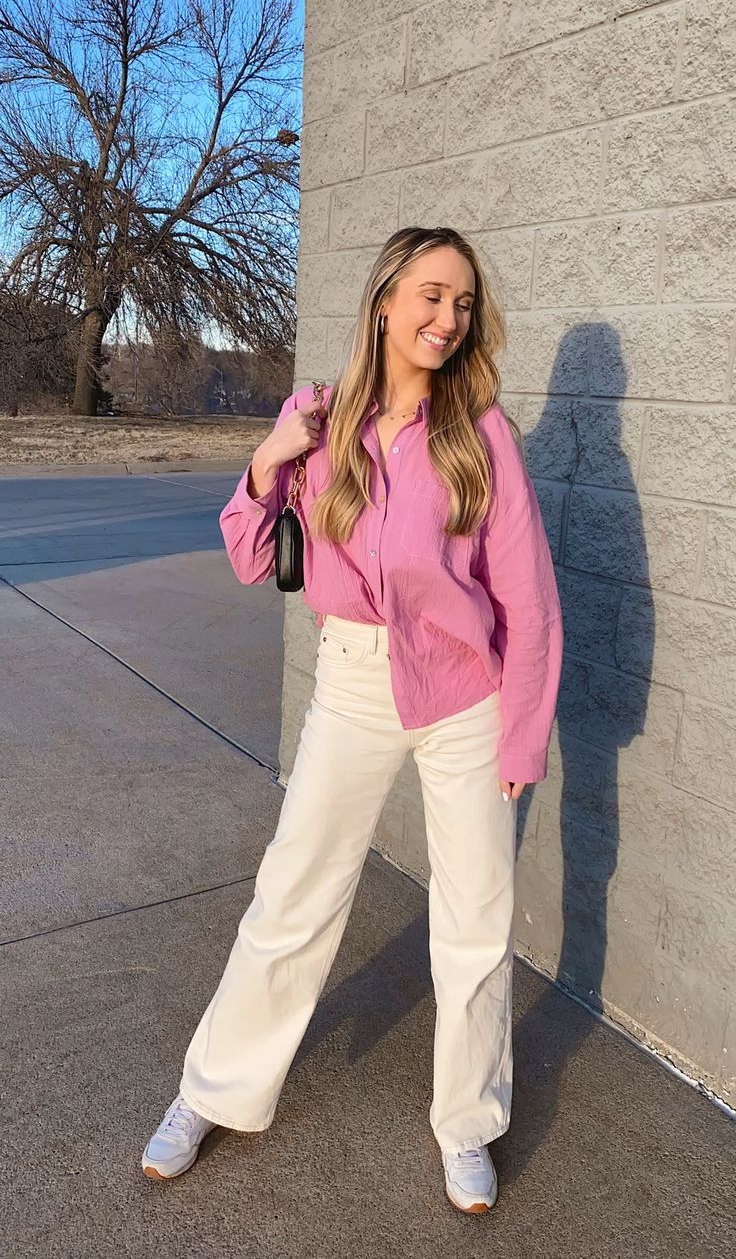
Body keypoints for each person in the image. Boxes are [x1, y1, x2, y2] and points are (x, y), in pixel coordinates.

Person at [142, 225, 564, 1215]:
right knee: (293, 893)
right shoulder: (322, 421)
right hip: (355, 681)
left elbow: (531, 600)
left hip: (466, 697)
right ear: (384, 300)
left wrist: (521, 734)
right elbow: (253, 557)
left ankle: (468, 1125)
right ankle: (212, 1091)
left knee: (474, 920)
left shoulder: (482, 434)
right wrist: (268, 456)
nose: (446, 318)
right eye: (429, 295)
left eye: (461, 302)